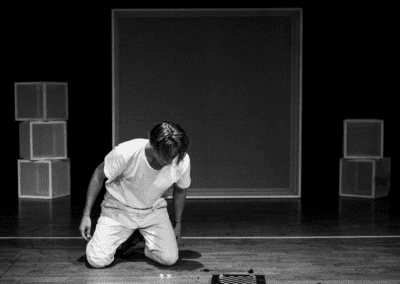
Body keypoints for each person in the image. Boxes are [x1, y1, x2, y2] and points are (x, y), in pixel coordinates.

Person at [79, 121, 191, 268]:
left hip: (153, 211)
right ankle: (124, 237)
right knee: (97, 261)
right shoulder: (126, 151)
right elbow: (98, 175)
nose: (170, 161)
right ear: (155, 146)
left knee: (169, 259)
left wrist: (178, 224)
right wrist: (86, 215)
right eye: (166, 156)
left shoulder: (181, 161)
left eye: (174, 156)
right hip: (119, 209)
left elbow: (181, 190)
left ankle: (141, 238)